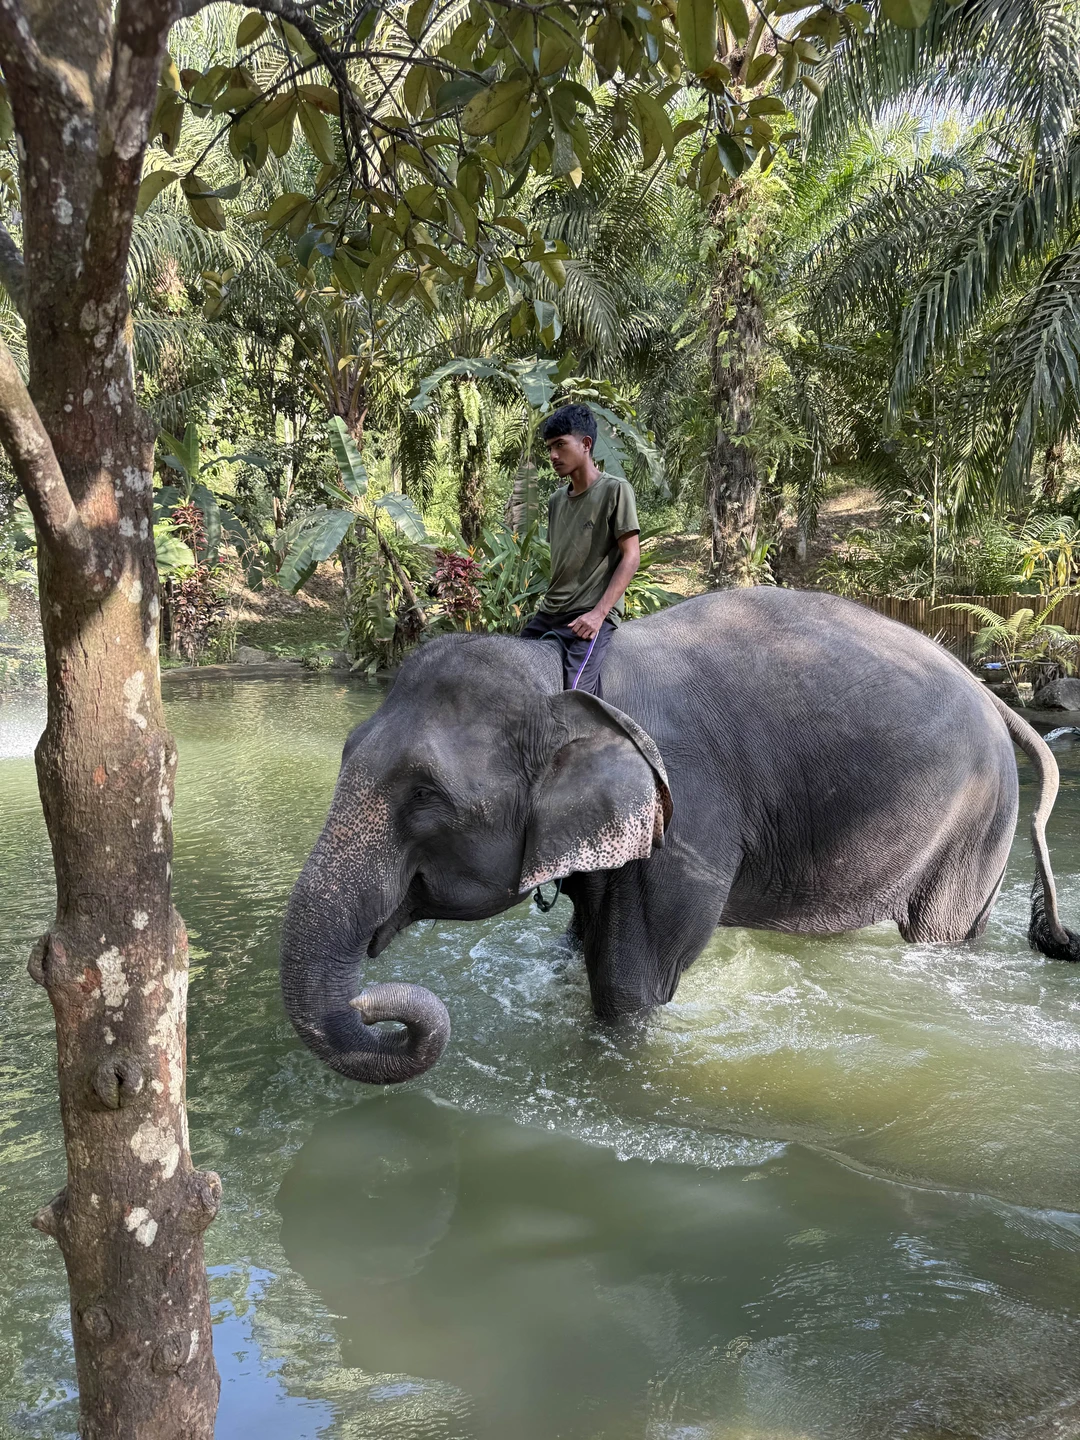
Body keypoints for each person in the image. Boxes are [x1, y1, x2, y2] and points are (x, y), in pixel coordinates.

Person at [521, 403, 640, 698]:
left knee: (575, 695)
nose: (553, 456)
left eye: (560, 445)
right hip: (549, 614)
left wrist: (599, 614)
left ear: (586, 444)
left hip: (587, 615)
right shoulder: (556, 501)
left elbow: (631, 556)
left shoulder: (615, 490)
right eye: (549, 447)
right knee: (511, 679)